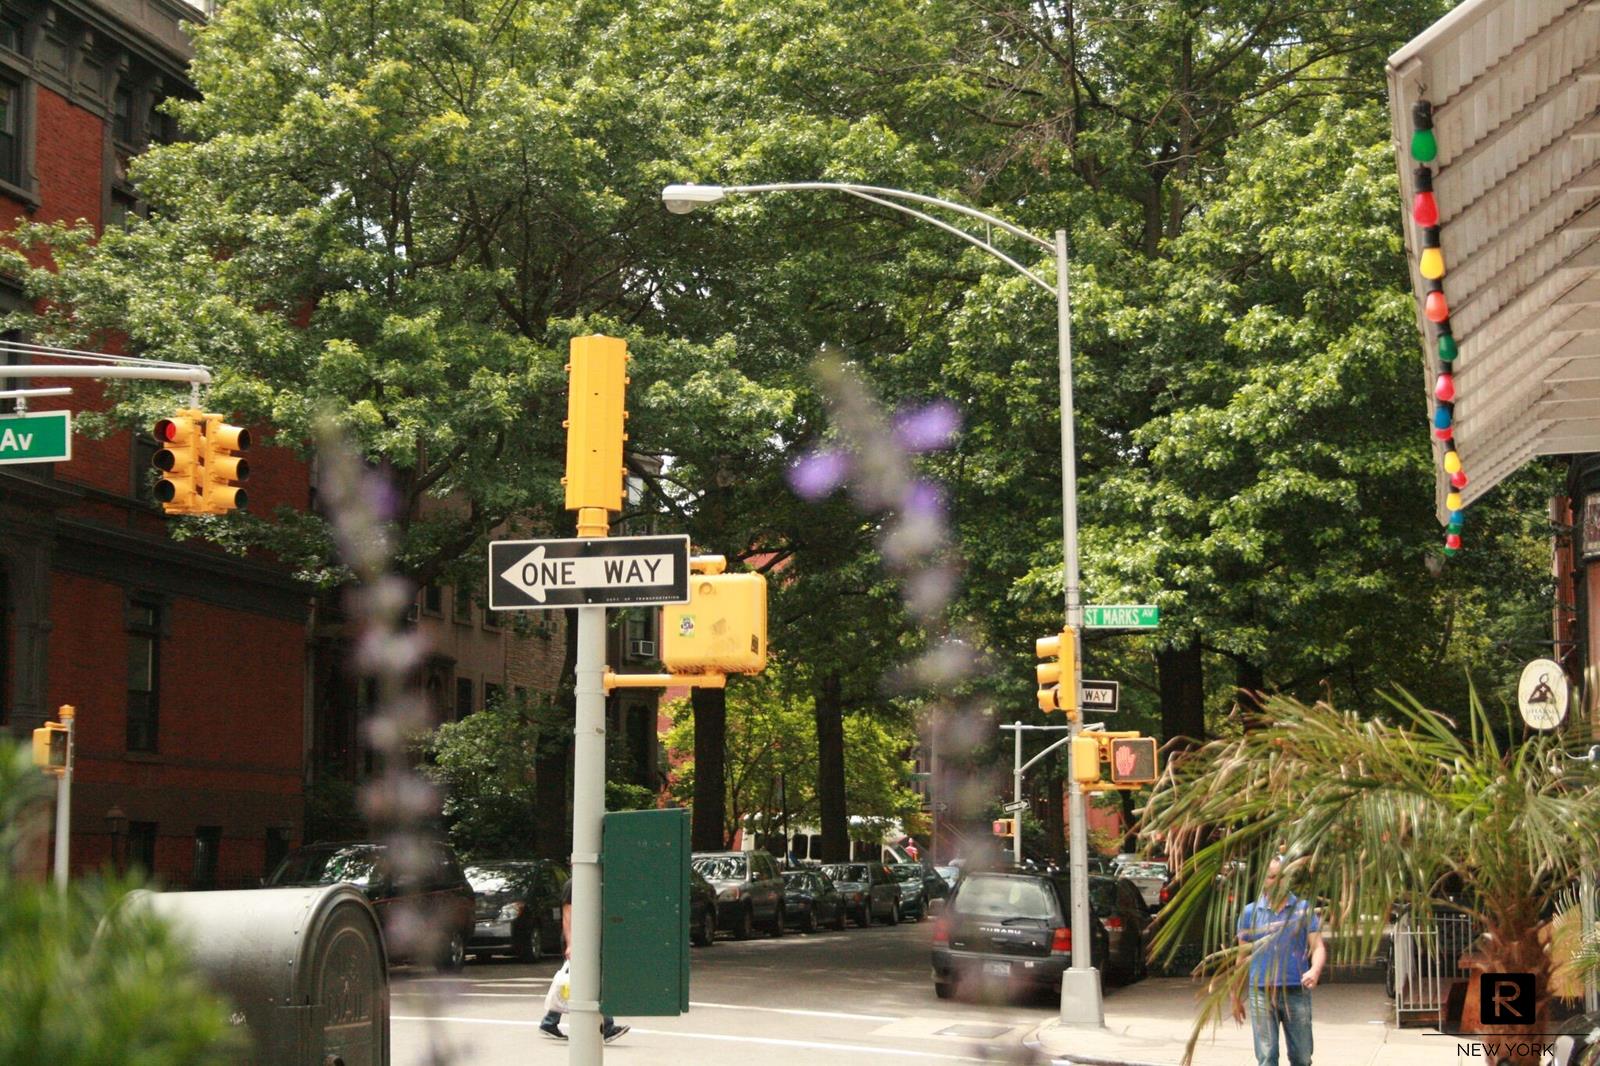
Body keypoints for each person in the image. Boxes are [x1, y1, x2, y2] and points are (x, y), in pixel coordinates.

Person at [1233, 855, 1325, 1066]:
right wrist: (1235, 995)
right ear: (1264, 880)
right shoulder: (1250, 913)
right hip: (1261, 992)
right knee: (1267, 1056)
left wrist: (1315, 970)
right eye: (1272, 877)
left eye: (1282, 876)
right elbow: (1241, 957)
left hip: (1296, 990)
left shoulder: (1303, 909)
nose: (1277, 882)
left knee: (1302, 1057)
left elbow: (1318, 946)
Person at [540, 878, 629, 1043]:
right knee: (594, 981)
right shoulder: (573, 884)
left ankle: (549, 1022)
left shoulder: (594, 882)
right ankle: (607, 1027)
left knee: (578, 982)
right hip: (578, 941)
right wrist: (571, 944)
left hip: (586, 939)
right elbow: (568, 914)